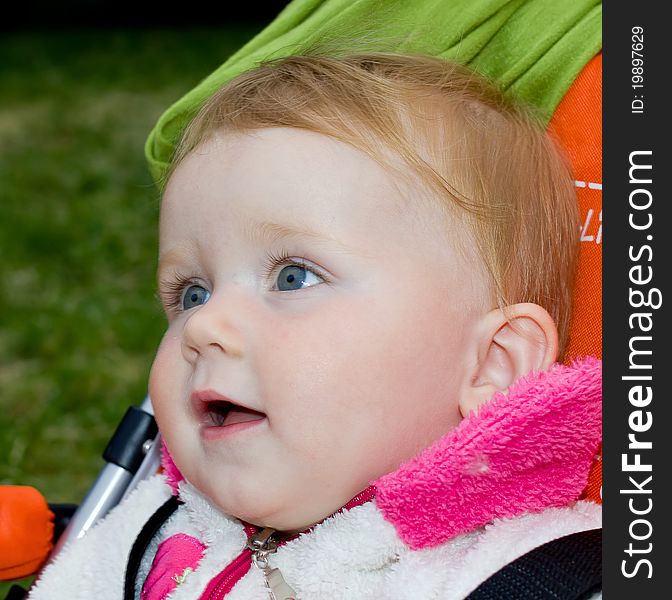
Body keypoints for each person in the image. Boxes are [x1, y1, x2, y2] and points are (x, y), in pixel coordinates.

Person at [28, 52, 601, 600]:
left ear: (493, 363)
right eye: (192, 293)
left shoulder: (536, 578)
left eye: (294, 277)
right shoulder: (145, 540)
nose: (205, 325)